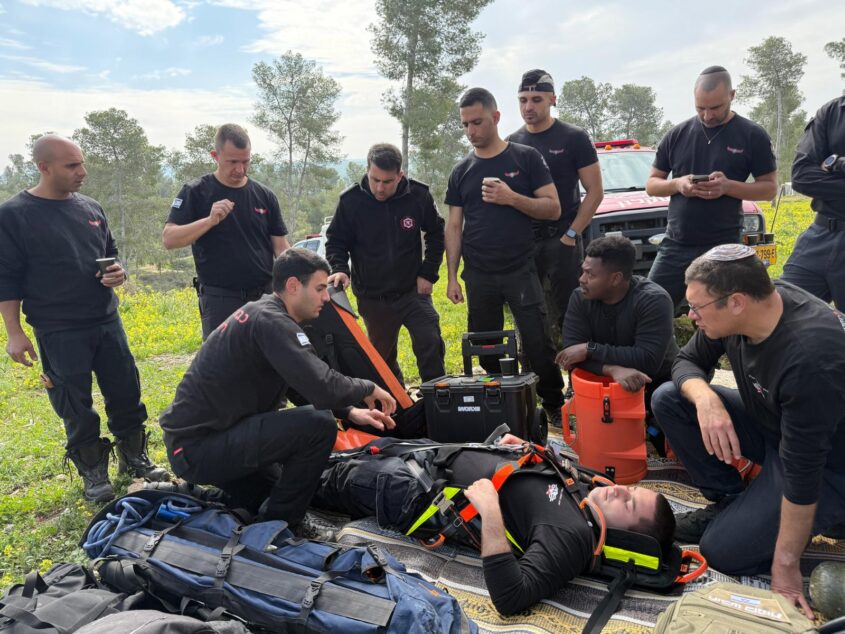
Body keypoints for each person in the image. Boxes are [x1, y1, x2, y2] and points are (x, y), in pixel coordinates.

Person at [650, 244, 845, 618]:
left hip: (826, 468)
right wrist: (706, 400)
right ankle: (728, 498)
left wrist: (786, 565)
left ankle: (835, 518)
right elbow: (687, 361)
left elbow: (803, 474)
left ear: (736, 302)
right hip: (776, 429)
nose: (691, 317)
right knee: (671, 398)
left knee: (722, 551)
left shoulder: (812, 358)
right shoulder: (746, 311)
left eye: (696, 308)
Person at [158, 248, 398, 528]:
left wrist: (349, 412)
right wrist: (366, 387)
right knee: (318, 426)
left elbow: (298, 385)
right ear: (294, 286)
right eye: (320, 288)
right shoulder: (270, 321)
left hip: (208, 441)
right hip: (198, 449)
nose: (325, 297)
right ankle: (280, 527)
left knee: (279, 490)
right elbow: (321, 386)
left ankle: (197, 497)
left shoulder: (266, 314)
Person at [314, 433, 675, 615]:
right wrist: (526, 450)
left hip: (410, 492)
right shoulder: (589, 494)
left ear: (628, 531)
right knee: (342, 451)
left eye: (629, 504)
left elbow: (511, 597)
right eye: (630, 490)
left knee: (314, 476)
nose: (619, 492)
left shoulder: (573, 536)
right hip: (431, 457)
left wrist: (490, 512)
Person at [0, 135, 168, 504]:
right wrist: (14, 333)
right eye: (72, 166)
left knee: (126, 391)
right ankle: (93, 473)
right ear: (44, 167)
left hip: (106, 320)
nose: (83, 172)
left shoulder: (91, 208)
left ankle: (135, 458)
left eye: (82, 163)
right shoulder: (14, 214)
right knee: (74, 403)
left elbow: (111, 254)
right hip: (57, 327)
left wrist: (117, 274)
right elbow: (6, 278)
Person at [445, 87, 564, 420]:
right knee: (485, 346)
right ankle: (501, 401)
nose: (471, 131)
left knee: (538, 341)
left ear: (496, 118)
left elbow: (553, 209)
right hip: (479, 273)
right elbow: (454, 227)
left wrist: (512, 198)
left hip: (520, 268)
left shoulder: (525, 158)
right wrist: (452, 276)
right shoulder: (461, 171)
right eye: (465, 125)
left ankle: (553, 403)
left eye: (477, 122)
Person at [645, 66, 777, 310]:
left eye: (715, 108)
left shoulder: (752, 135)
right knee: (651, 307)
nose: (707, 116)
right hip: (676, 243)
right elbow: (652, 185)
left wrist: (728, 187)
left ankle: (721, 348)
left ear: (732, 95)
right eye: (700, 108)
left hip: (723, 245)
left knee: (722, 313)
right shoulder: (677, 134)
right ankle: (661, 349)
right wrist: (678, 184)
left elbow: (768, 189)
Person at [325, 143, 446, 384]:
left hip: (413, 291)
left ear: (400, 175)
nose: (380, 188)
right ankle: (401, 410)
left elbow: (436, 233)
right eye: (375, 179)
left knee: (429, 341)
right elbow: (336, 241)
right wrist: (339, 268)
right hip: (373, 296)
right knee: (382, 362)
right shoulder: (351, 201)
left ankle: (438, 401)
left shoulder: (418, 195)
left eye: (387, 181)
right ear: (367, 170)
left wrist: (428, 272)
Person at [162, 124, 291, 339]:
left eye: (245, 161)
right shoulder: (195, 191)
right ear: (215, 156)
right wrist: (209, 221)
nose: (240, 169)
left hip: (264, 296)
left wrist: (303, 273)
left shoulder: (265, 196)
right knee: (225, 366)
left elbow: (281, 247)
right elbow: (169, 239)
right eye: (233, 162)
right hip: (220, 300)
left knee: (267, 362)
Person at [506, 69, 603, 334]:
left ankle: (579, 372)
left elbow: (595, 192)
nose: (528, 106)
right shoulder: (513, 142)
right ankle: (534, 372)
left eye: (536, 99)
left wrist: (572, 234)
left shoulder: (574, 137)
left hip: (564, 236)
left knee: (574, 313)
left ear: (553, 100)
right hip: (527, 241)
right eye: (523, 99)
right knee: (528, 315)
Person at [556, 235, 678, 402]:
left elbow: (648, 360)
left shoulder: (654, 300)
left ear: (615, 278)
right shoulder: (580, 297)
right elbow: (571, 356)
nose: (581, 279)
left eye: (590, 274)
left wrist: (590, 350)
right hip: (603, 387)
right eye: (583, 271)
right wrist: (611, 369)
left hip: (657, 386)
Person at [780, 94, 845, 309]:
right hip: (821, 234)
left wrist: (833, 166)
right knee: (779, 311)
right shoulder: (832, 112)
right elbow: (802, 176)